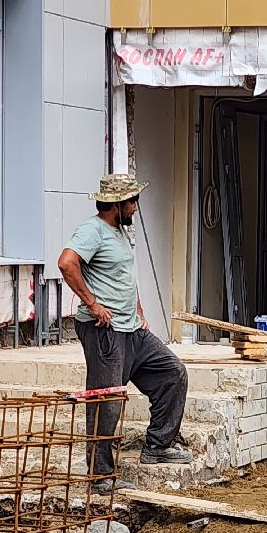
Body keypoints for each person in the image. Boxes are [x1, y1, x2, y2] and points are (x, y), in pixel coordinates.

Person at [58, 173, 190, 494]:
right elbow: (66, 263)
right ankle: (100, 475)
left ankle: (157, 446)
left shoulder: (119, 232)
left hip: (131, 329)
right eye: (132, 201)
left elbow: (123, 276)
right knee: (107, 400)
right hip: (105, 331)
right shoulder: (92, 231)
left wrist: (138, 309)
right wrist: (92, 304)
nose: (136, 207)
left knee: (172, 373)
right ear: (116, 204)